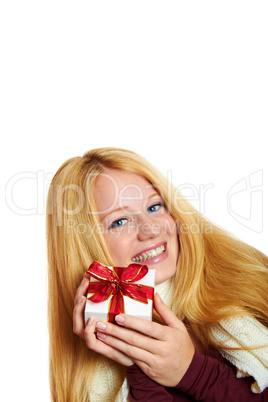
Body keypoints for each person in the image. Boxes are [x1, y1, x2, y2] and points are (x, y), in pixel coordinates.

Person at [46, 147, 268, 401]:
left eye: (154, 206)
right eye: (119, 221)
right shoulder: (91, 373)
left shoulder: (255, 280)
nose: (150, 229)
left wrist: (193, 372)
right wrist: (136, 360)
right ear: (85, 246)